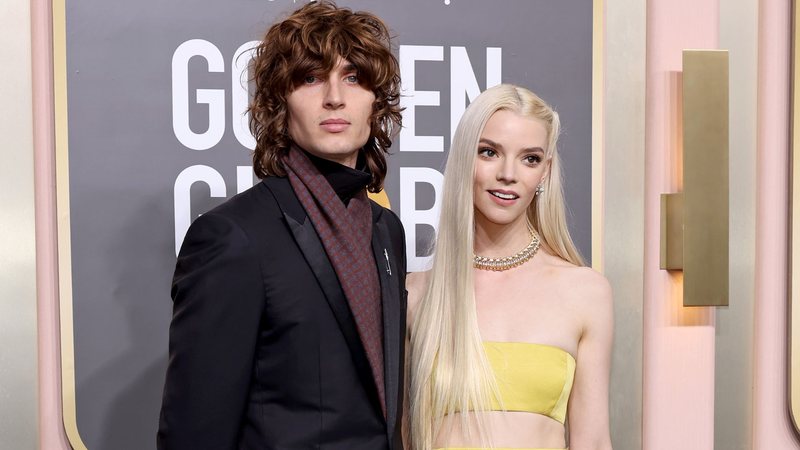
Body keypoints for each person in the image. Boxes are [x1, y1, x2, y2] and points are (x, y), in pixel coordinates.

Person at [157, 2, 407, 449]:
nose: (335, 96)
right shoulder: (235, 236)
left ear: (376, 101)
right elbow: (195, 431)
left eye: (354, 77)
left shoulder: (387, 231)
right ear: (279, 101)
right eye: (310, 77)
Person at [406, 84, 613, 450]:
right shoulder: (416, 294)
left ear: (545, 172)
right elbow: (404, 435)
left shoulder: (585, 292)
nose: (508, 174)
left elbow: (593, 440)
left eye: (529, 159)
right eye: (489, 152)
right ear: (465, 160)